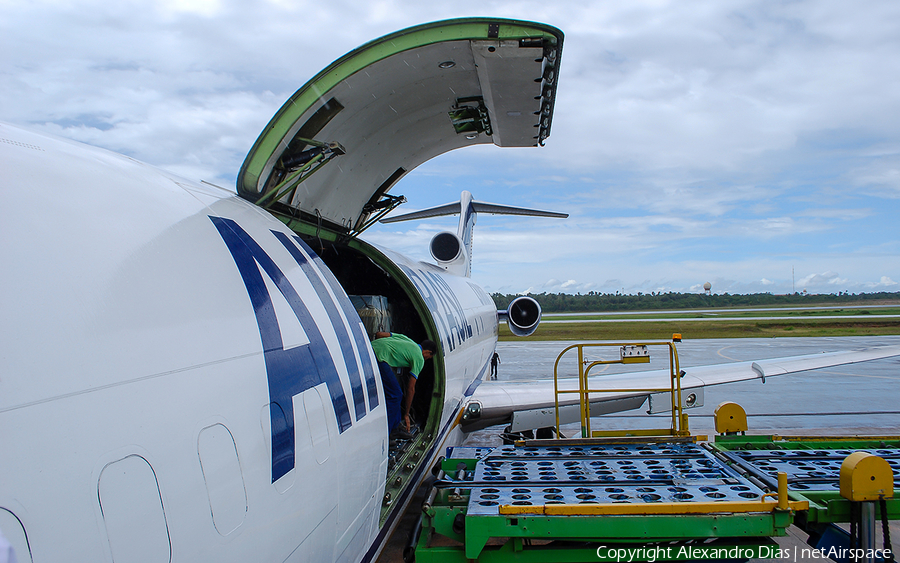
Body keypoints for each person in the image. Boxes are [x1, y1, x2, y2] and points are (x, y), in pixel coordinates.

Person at [371, 331, 437, 436]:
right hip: (380, 357)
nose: (427, 359)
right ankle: (386, 433)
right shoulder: (419, 358)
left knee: (397, 394)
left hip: (370, 348)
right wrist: (406, 414)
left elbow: (379, 334)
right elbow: (411, 388)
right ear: (428, 352)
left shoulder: (407, 339)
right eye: (429, 357)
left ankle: (395, 427)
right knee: (396, 395)